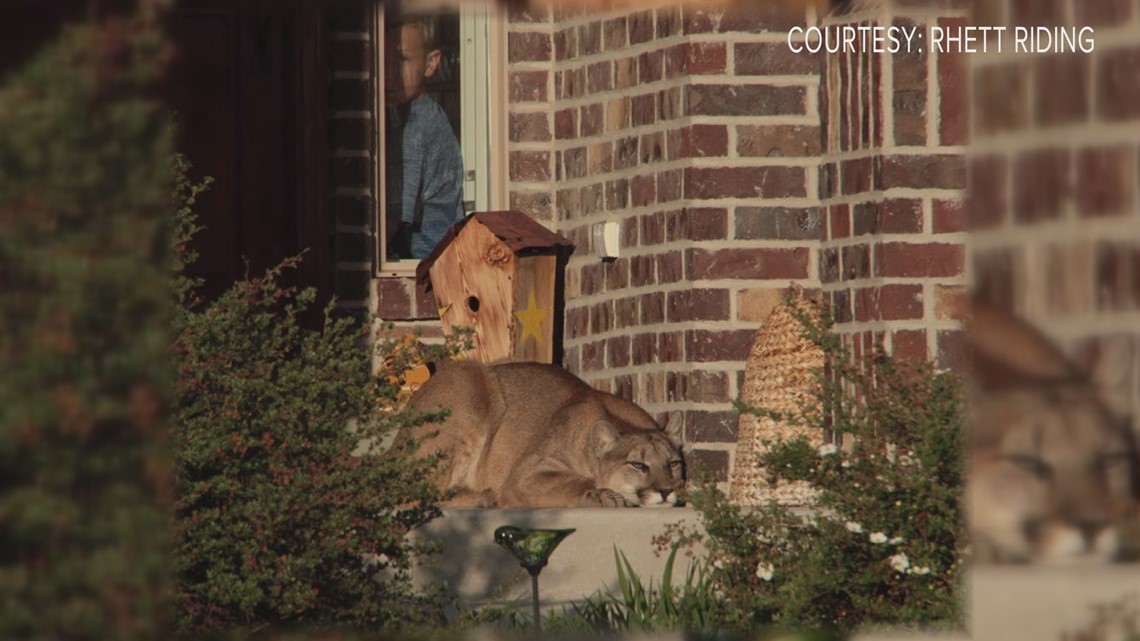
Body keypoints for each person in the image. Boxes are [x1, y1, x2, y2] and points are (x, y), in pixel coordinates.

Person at [384, 13, 465, 260]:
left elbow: (396, 217)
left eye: (402, 60)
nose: (389, 73)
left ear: (431, 63)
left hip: (426, 260)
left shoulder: (419, 125)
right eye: (384, 60)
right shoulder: (424, 114)